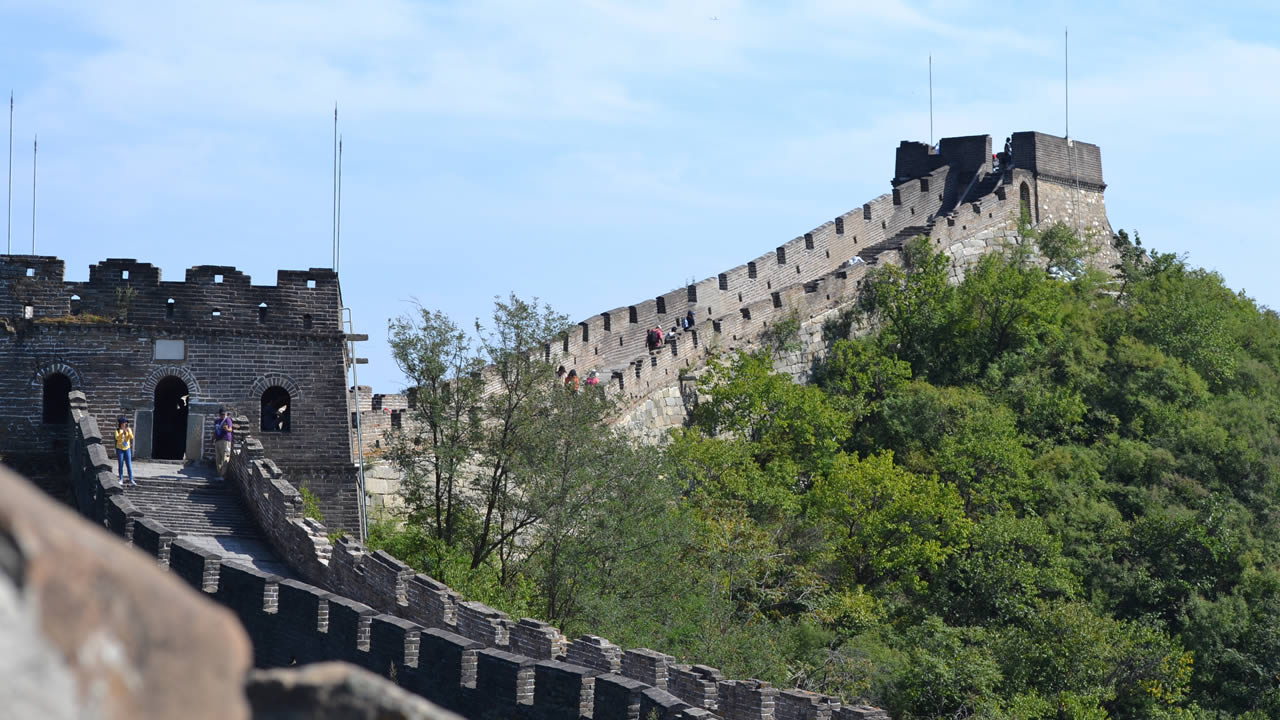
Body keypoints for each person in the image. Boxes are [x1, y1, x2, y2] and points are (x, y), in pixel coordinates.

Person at [115, 416, 136, 486]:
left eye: (126, 423)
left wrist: (128, 432)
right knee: (120, 464)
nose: (125, 424)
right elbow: (117, 438)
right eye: (124, 422)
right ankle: (121, 479)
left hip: (127, 448)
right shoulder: (117, 430)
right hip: (120, 449)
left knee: (129, 464)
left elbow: (132, 437)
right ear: (121, 423)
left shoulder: (129, 429)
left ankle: (131, 479)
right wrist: (122, 433)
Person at [213, 407, 234, 476]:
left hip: (225, 440)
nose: (222, 416)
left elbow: (230, 429)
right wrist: (212, 439)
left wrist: (227, 429)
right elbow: (215, 431)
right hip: (218, 441)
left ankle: (223, 475)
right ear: (219, 414)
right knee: (218, 459)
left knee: (225, 457)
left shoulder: (228, 420)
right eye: (221, 414)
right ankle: (219, 474)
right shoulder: (217, 421)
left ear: (226, 414)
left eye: (224, 414)